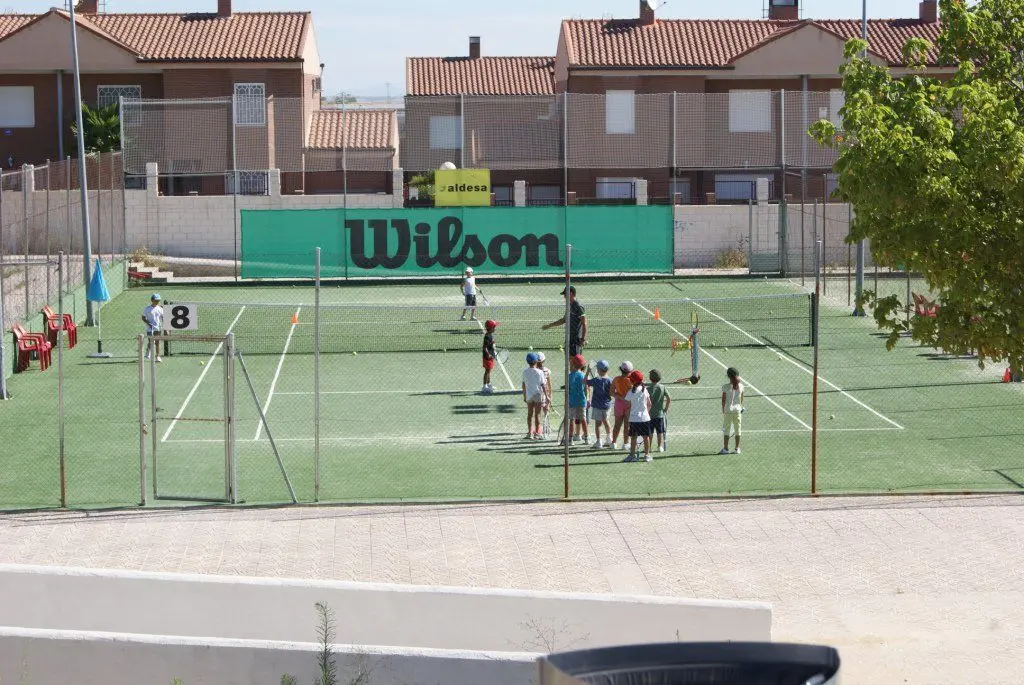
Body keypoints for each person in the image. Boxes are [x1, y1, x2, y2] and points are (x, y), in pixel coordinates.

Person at [541, 285, 587, 356]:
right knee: (570, 361)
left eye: (565, 294)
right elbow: (564, 320)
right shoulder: (569, 305)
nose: (564, 297)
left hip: (576, 339)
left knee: (575, 361)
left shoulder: (578, 306)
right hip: (569, 337)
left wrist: (583, 339)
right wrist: (549, 325)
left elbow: (584, 323)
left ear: (571, 293)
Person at [624, 370, 653, 463]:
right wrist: (646, 413)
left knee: (633, 437)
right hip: (645, 418)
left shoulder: (630, 392)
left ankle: (632, 455)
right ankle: (647, 455)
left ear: (632, 381)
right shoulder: (645, 390)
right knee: (646, 437)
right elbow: (649, 404)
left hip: (634, 418)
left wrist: (628, 419)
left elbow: (628, 407)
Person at [586, 360, 613, 448]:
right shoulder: (610, 380)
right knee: (606, 421)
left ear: (599, 370)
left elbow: (585, 381)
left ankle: (598, 442)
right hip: (607, 405)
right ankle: (609, 439)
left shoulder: (595, 380)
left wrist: (588, 371)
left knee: (598, 424)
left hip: (597, 406)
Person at [565, 354, 589, 445]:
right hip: (582, 401)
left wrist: (566, 401)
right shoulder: (583, 376)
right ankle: (586, 438)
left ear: (573, 364)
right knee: (583, 419)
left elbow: (568, 390)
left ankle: (570, 440)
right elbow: (586, 389)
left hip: (572, 401)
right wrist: (587, 400)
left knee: (572, 420)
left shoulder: (569, 376)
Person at [609, 361, 634, 450]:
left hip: (618, 404)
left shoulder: (616, 379)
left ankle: (614, 443)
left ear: (621, 369)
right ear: (630, 371)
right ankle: (626, 444)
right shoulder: (631, 381)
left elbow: (611, 392)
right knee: (627, 425)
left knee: (617, 425)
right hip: (629, 405)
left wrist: (619, 396)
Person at [522, 352, 546, 440]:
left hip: (529, 395)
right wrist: (546, 396)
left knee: (530, 414)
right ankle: (537, 433)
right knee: (538, 414)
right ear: (536, 361)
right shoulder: (540, 372)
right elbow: (543, 385)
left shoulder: (525, 372)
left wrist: (524, 396)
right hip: (537, 395)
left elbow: (523, 385)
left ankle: (529, 433)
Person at [721, 367, 745, 455]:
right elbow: (741, 399)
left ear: (729, 377)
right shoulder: (742, 386)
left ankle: (726, 449)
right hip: (738, 410)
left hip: (728, 410)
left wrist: (723, 410)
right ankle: (737, 448)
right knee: (738, 429)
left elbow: (723, 400)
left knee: (726, 430)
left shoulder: (725, 387)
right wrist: (740, 407)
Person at [648, 369, 671, 453]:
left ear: (650, 378)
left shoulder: (648, 388)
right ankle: (659, 446)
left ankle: (649, 446)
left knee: (649, 432)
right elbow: (669, 398)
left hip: (649, 414)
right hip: (659, 414)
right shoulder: (662, 387)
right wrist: (666, 409)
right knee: (659, 432)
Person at [141, 293, 164, 362]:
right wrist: (148, 323)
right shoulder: (147, 308)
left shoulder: (160, 309)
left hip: (158, 328)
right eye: (156, 300)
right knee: (151, 341)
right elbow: (143, 317)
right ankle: (148, 352)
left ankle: (157, 356)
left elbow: (163, 317)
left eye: (158, 300)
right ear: (152, 300)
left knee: (157, 342)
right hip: (149, 328)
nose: (157, 302)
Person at [536, 351, 553, 433]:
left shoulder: (544, 371)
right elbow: (549, 385)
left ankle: (545, 428)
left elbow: (549, 385)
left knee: (542, 412)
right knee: (543, 412)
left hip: (541, 394)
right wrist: (550, 395)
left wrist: (550, 395)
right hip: (542, 395)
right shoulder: (543, 371)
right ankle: (543, 428)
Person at [481, 319, 498, 394]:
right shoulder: (487, 336)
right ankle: (484, 386)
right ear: (491, 328)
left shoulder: (490, 335)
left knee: (489, 370)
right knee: (487, 371)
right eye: (494, 327)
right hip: (487, 357)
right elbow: (484, 347)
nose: (495, 328)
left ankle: (488, 384)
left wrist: (492, 344)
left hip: (490, 356)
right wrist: (488, 355)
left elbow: (489, 345)